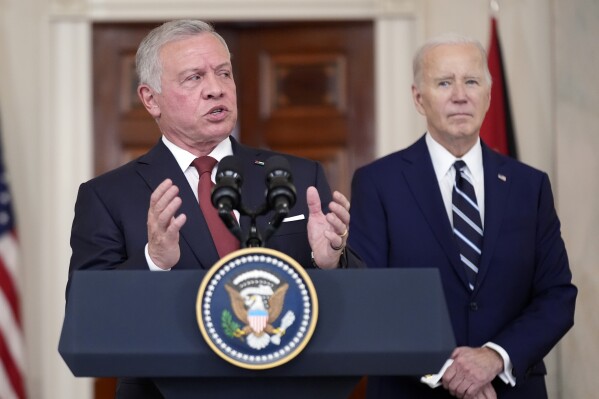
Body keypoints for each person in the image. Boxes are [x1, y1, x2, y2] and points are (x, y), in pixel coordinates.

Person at [67, 19, 362, 398]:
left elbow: (354, 307)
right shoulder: (108, 196)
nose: (216, 89)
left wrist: (332, 265)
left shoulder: (296, 177)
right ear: (150, 99)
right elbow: (86, 320)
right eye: (193, 78)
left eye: (223, 73)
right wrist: (153, 260)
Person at [348, 33, 577, 399]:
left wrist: (494, 358)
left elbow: (557, 296)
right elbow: (370, 298)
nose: (460, 95)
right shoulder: (378, 184)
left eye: (471, 81)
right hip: (413, 390)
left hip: (510, 389)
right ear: (418, 98)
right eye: (444, 82)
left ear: (487, 94)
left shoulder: (529, 186)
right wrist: (449, 372)